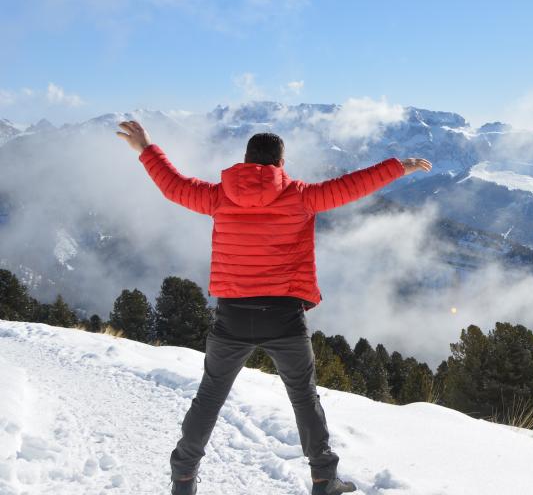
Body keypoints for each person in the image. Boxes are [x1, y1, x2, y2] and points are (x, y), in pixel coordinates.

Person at [116, 120, 432, 495]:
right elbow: (351, 186)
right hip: (285, 317)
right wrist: (399, 166)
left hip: (232, 315)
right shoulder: (301, 196)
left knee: (210, 396)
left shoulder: (219, 196)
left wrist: (146, 148)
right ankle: (323, 478)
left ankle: (183, 476)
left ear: (246, 161)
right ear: (280, 162)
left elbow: (174, 186)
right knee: (304, 397)